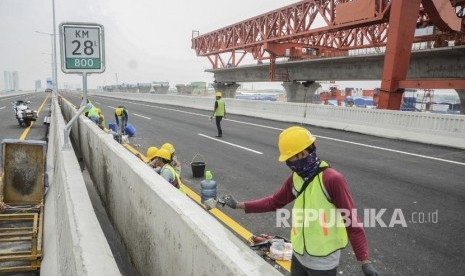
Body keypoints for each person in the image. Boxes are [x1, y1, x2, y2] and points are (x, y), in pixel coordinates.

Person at [221, 126, 379, 276]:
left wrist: (364, 260)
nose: (296, 162)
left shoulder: (332, 179)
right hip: (299, 254)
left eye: (300, 155)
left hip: (323, 261)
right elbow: (274, 202)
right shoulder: (296, 178)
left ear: (312, 148)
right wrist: (239, 205)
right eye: (291, 158)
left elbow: (351, 220)